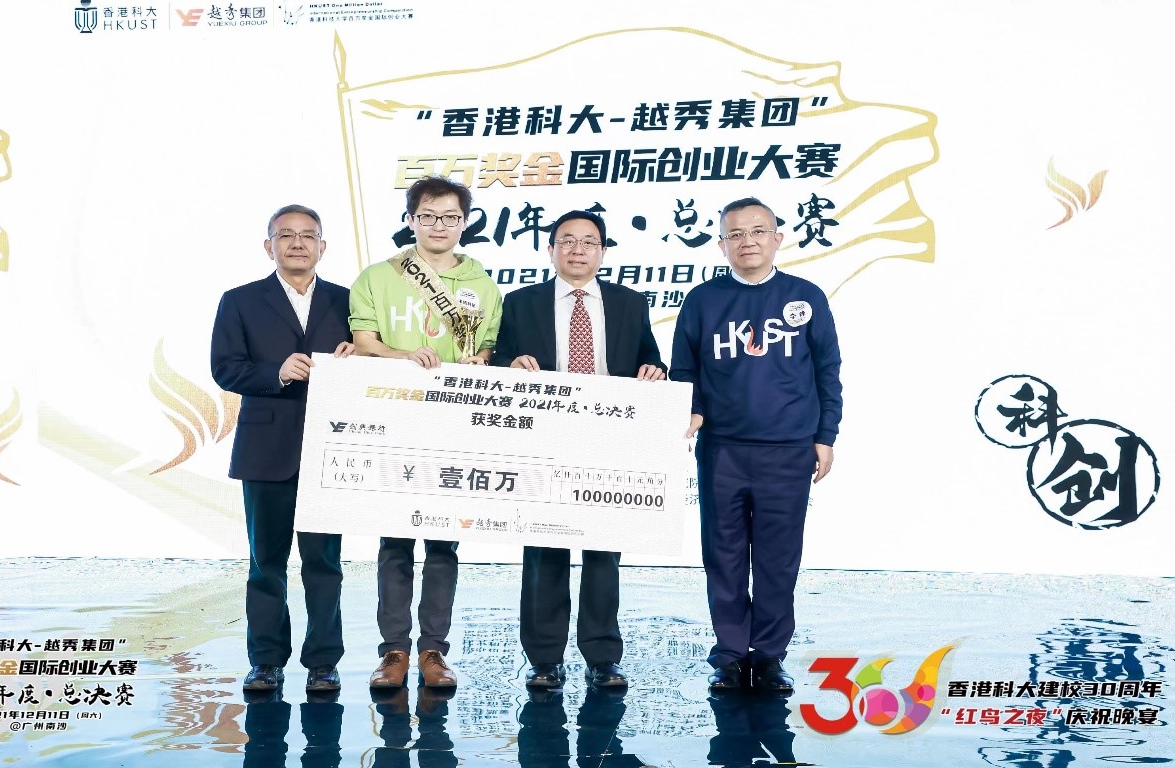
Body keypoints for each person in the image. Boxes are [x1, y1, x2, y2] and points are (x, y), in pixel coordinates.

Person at [669, 196, 842, 693]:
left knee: (777, 559)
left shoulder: (805, 297)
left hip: (788, 449)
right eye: (736, 234)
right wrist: (690, 409)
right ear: (721, 244)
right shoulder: (703, 300)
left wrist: (825, 435)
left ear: (777, 238)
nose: (748, 241)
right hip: (721, 449)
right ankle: (729, 655)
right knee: (722, 555)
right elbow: (684, 368)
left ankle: (767, 656)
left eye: (758, 231)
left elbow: (827, 369)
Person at [491, 210, 666, 690]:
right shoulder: (521, 302)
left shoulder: (630, 303)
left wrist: (654, 369)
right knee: (544, 550)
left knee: (603, 551)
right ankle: (544, 659)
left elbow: (649, 356)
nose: (577, 249)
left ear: (603, 252)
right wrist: (512, 363)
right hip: (542, 438)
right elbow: (499, 357)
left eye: (589, 242)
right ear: (550, 250)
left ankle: (603, 657)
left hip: (609, 439)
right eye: (567, 241)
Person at [349, 175, 503, 689]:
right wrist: (403, 357)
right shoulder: (379, 277)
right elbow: (363, 342)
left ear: (465, 223)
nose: (440, 226)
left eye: (451, 217)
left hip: (455, 427)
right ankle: (393, 651)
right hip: (393, 422)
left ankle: (433, 651)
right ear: (411, 220)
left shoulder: (484, 285)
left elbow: (487, 348)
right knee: (394, 540)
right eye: (429, 216)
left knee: (443, 544)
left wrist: (479, 360)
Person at [211, 203, 355, 692]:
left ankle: (323, 662)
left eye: (308, 235)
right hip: (265, 449)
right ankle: (266, 661)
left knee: (325, 564)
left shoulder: (348, 301)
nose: (297, 243)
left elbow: (370, 362)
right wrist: (275, 372)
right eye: (286, 235)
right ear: (268, 245)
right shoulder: (240, 301)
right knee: (265, 564)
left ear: (323, 246)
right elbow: (225, 368)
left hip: (331, 449)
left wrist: (358, 356)